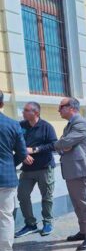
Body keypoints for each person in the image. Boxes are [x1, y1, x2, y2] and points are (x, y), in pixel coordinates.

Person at [54, 98, 86, 251]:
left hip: (79, 170)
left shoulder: (80, 123)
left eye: (61, 107)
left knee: (85, 204)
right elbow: (63, 144)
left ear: (71, 107)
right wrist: (63, 145)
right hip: (72, 170)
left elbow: (63, 143)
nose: (59, 110)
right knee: (77, 204)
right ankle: (84, 231)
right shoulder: (70, 125)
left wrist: (64, 144)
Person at [15, 102, 57, 238]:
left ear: (36, 113)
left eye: (26, 110)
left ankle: (48, 222)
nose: (23, 112)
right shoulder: (20, 126)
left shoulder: (46, 127)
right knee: (22, 195)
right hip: (27, 169)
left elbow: (53, 145)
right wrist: (24, 154)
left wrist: (34, 150)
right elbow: (15, 143)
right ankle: (30, 224)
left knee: (47, 197)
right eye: (24, 110)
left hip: (45, 167)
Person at [0, 90, 28, 251]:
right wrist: (10, 164)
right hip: (6, 176)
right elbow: (23, 153)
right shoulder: (12, 125)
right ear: (2, 103)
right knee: (5, 217)